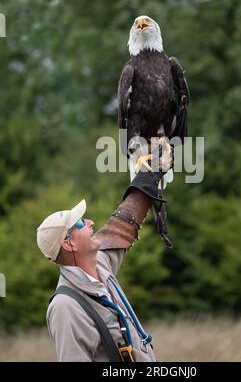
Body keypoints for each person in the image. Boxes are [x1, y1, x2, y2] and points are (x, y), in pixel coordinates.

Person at [37, 144, 173, 362]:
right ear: (69, 244)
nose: (90, 223)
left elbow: (124, 225)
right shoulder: (65, 307)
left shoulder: (100, 261)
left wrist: (151, 171)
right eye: (80, 223)